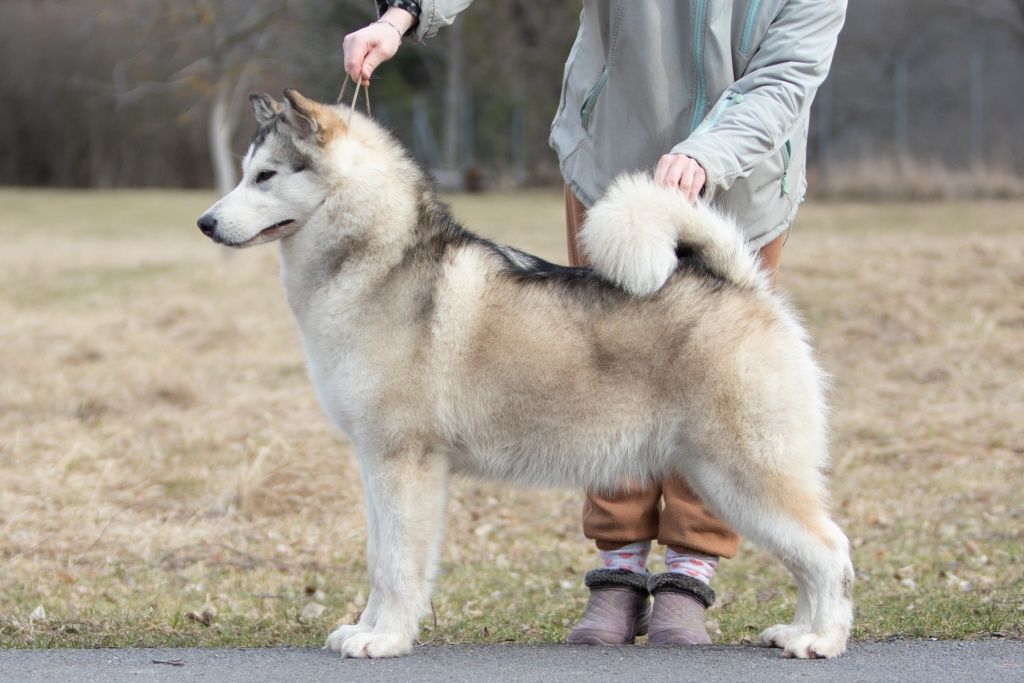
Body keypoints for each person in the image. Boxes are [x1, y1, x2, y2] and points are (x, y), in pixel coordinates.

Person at [343, 0, 847, 647]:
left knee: (723, 420)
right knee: (595, 383)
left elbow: (786, 77)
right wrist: (403, 15)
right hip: (615, 169)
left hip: (741, 185)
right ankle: (619, 572)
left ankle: (689, 579)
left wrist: (707, 152)